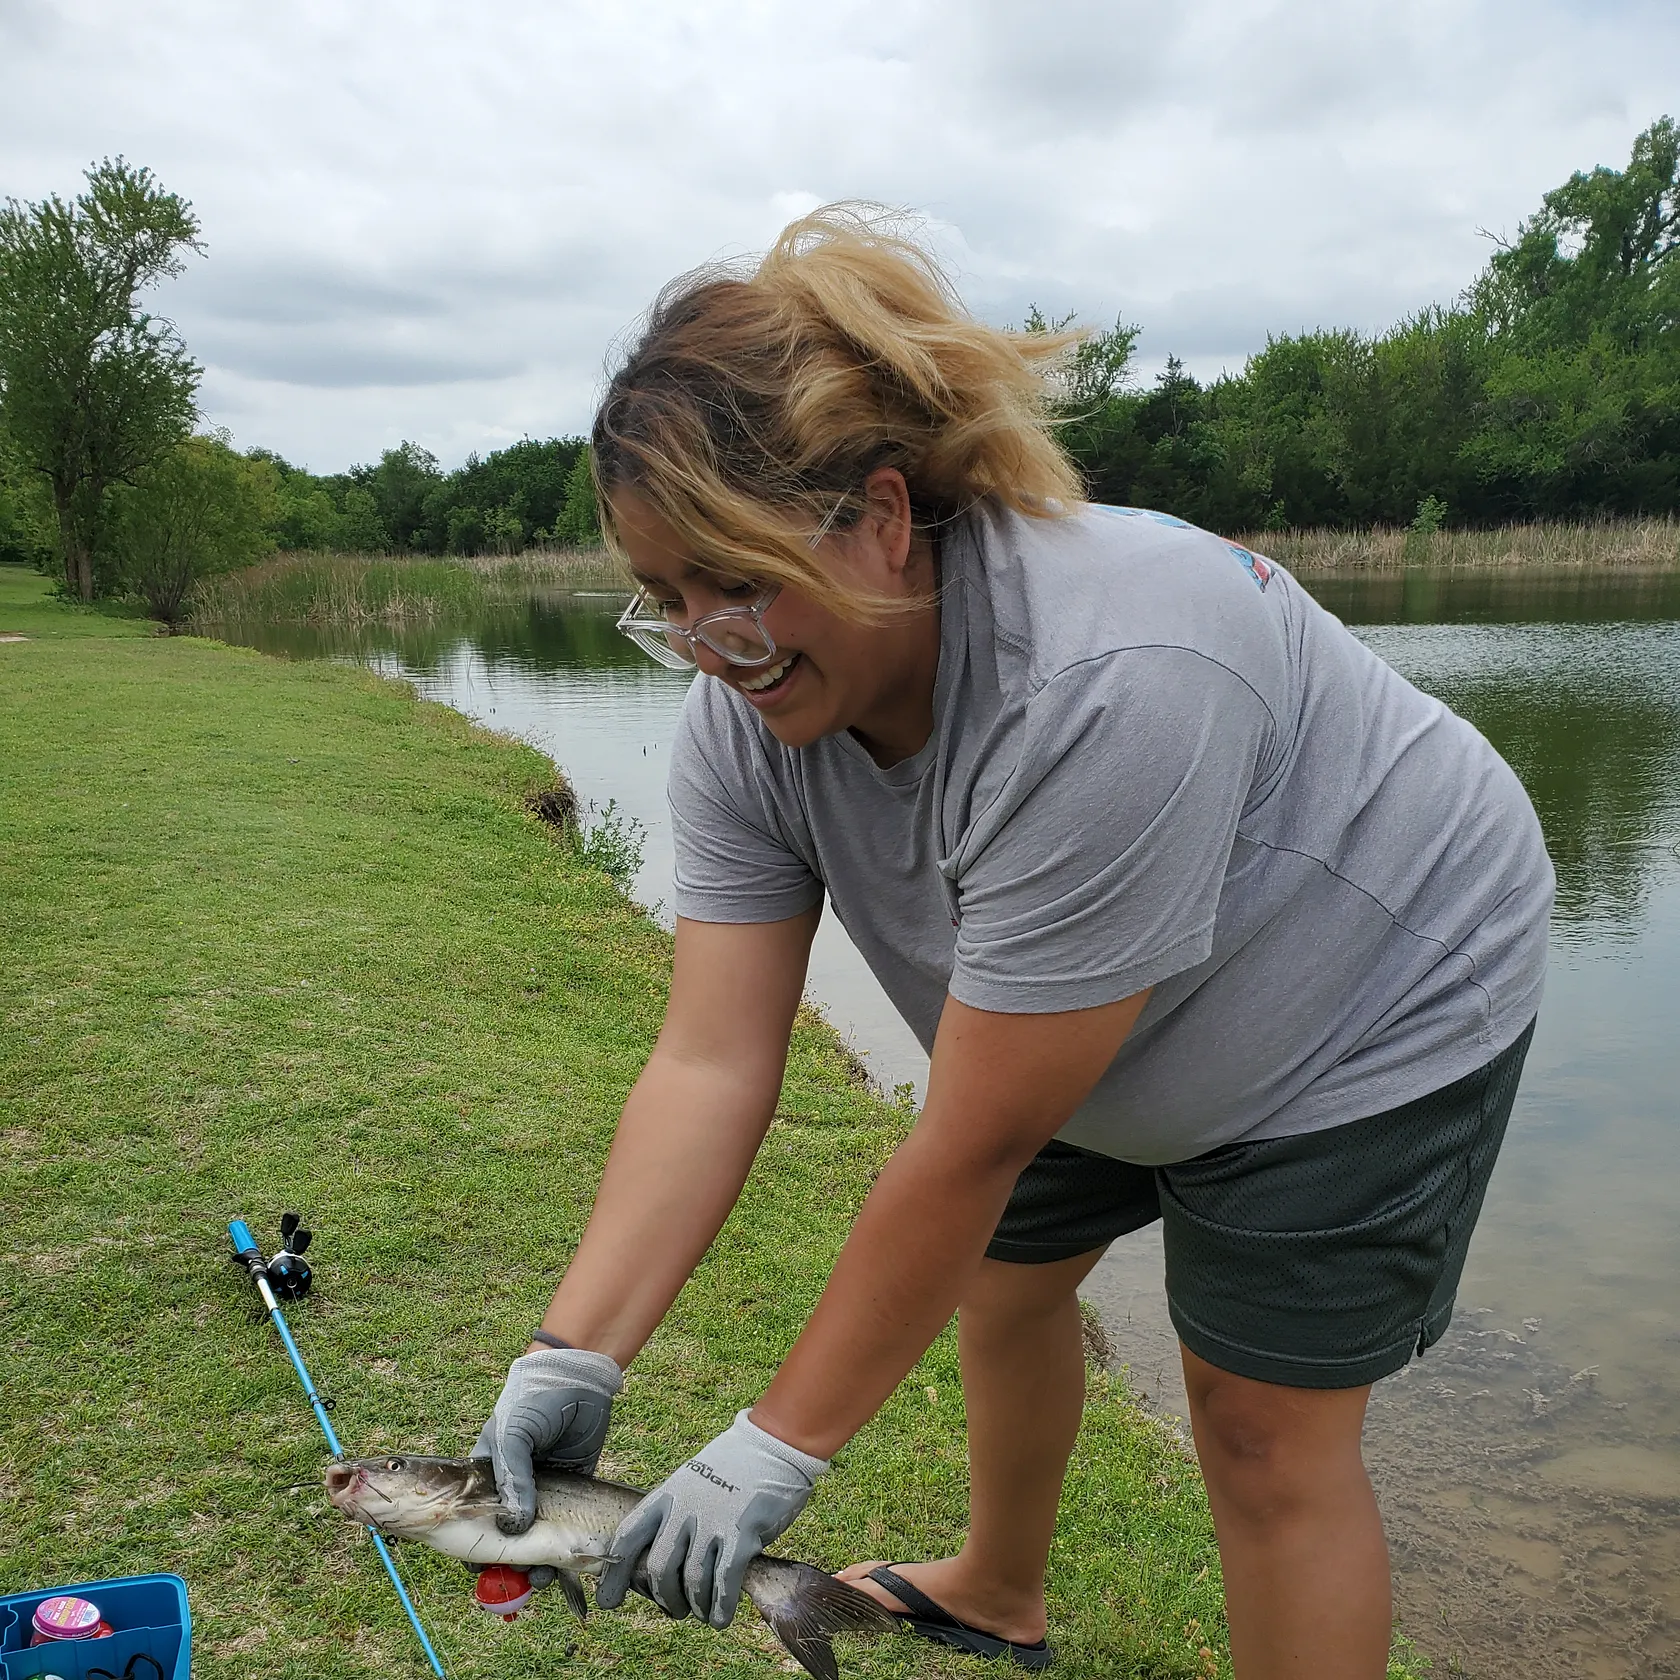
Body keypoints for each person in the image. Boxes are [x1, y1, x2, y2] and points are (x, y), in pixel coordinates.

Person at [472, 206, 1553, 1677]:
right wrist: (576, 1346)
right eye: (669, 604)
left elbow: (969, 1149)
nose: (714, 649)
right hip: (1080, 994)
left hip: (1369, 983)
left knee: (1262, 1434)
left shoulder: (1106, 679)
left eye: (738, 581)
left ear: (883, 513)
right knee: (1004, 1276)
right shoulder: (747, 725)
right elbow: (715, 1057)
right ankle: (996, 1583)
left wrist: (775, 1445)